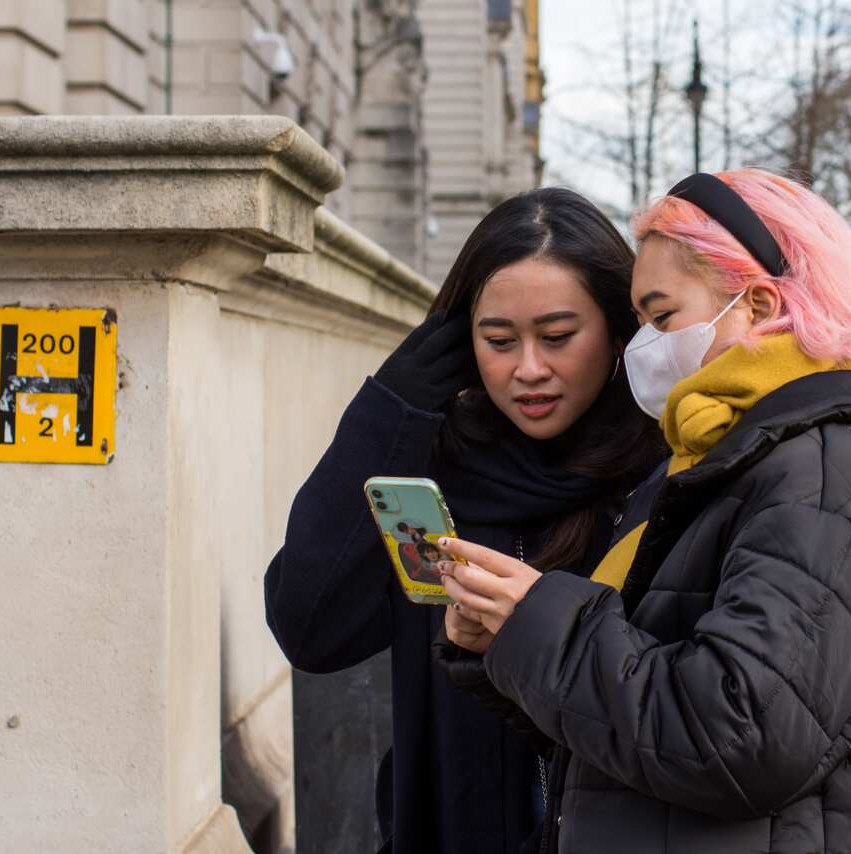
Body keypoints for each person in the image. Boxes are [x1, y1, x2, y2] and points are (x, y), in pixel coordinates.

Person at [437, 170, 851, 853]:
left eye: (662, 317)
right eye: (640, 322)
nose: (645, 346)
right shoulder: (717, 456)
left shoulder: (805, 474)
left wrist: (541, 622)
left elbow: (741, 737)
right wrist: (506, 644)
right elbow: (635, 729)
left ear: (758, 306)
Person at [263, 187, 663, 854]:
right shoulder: (432, 473)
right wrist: (386, 414)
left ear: (618, 330)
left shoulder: (664, 474)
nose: (529, 369)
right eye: (499, 340)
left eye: (558, 337)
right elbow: (310, 631)